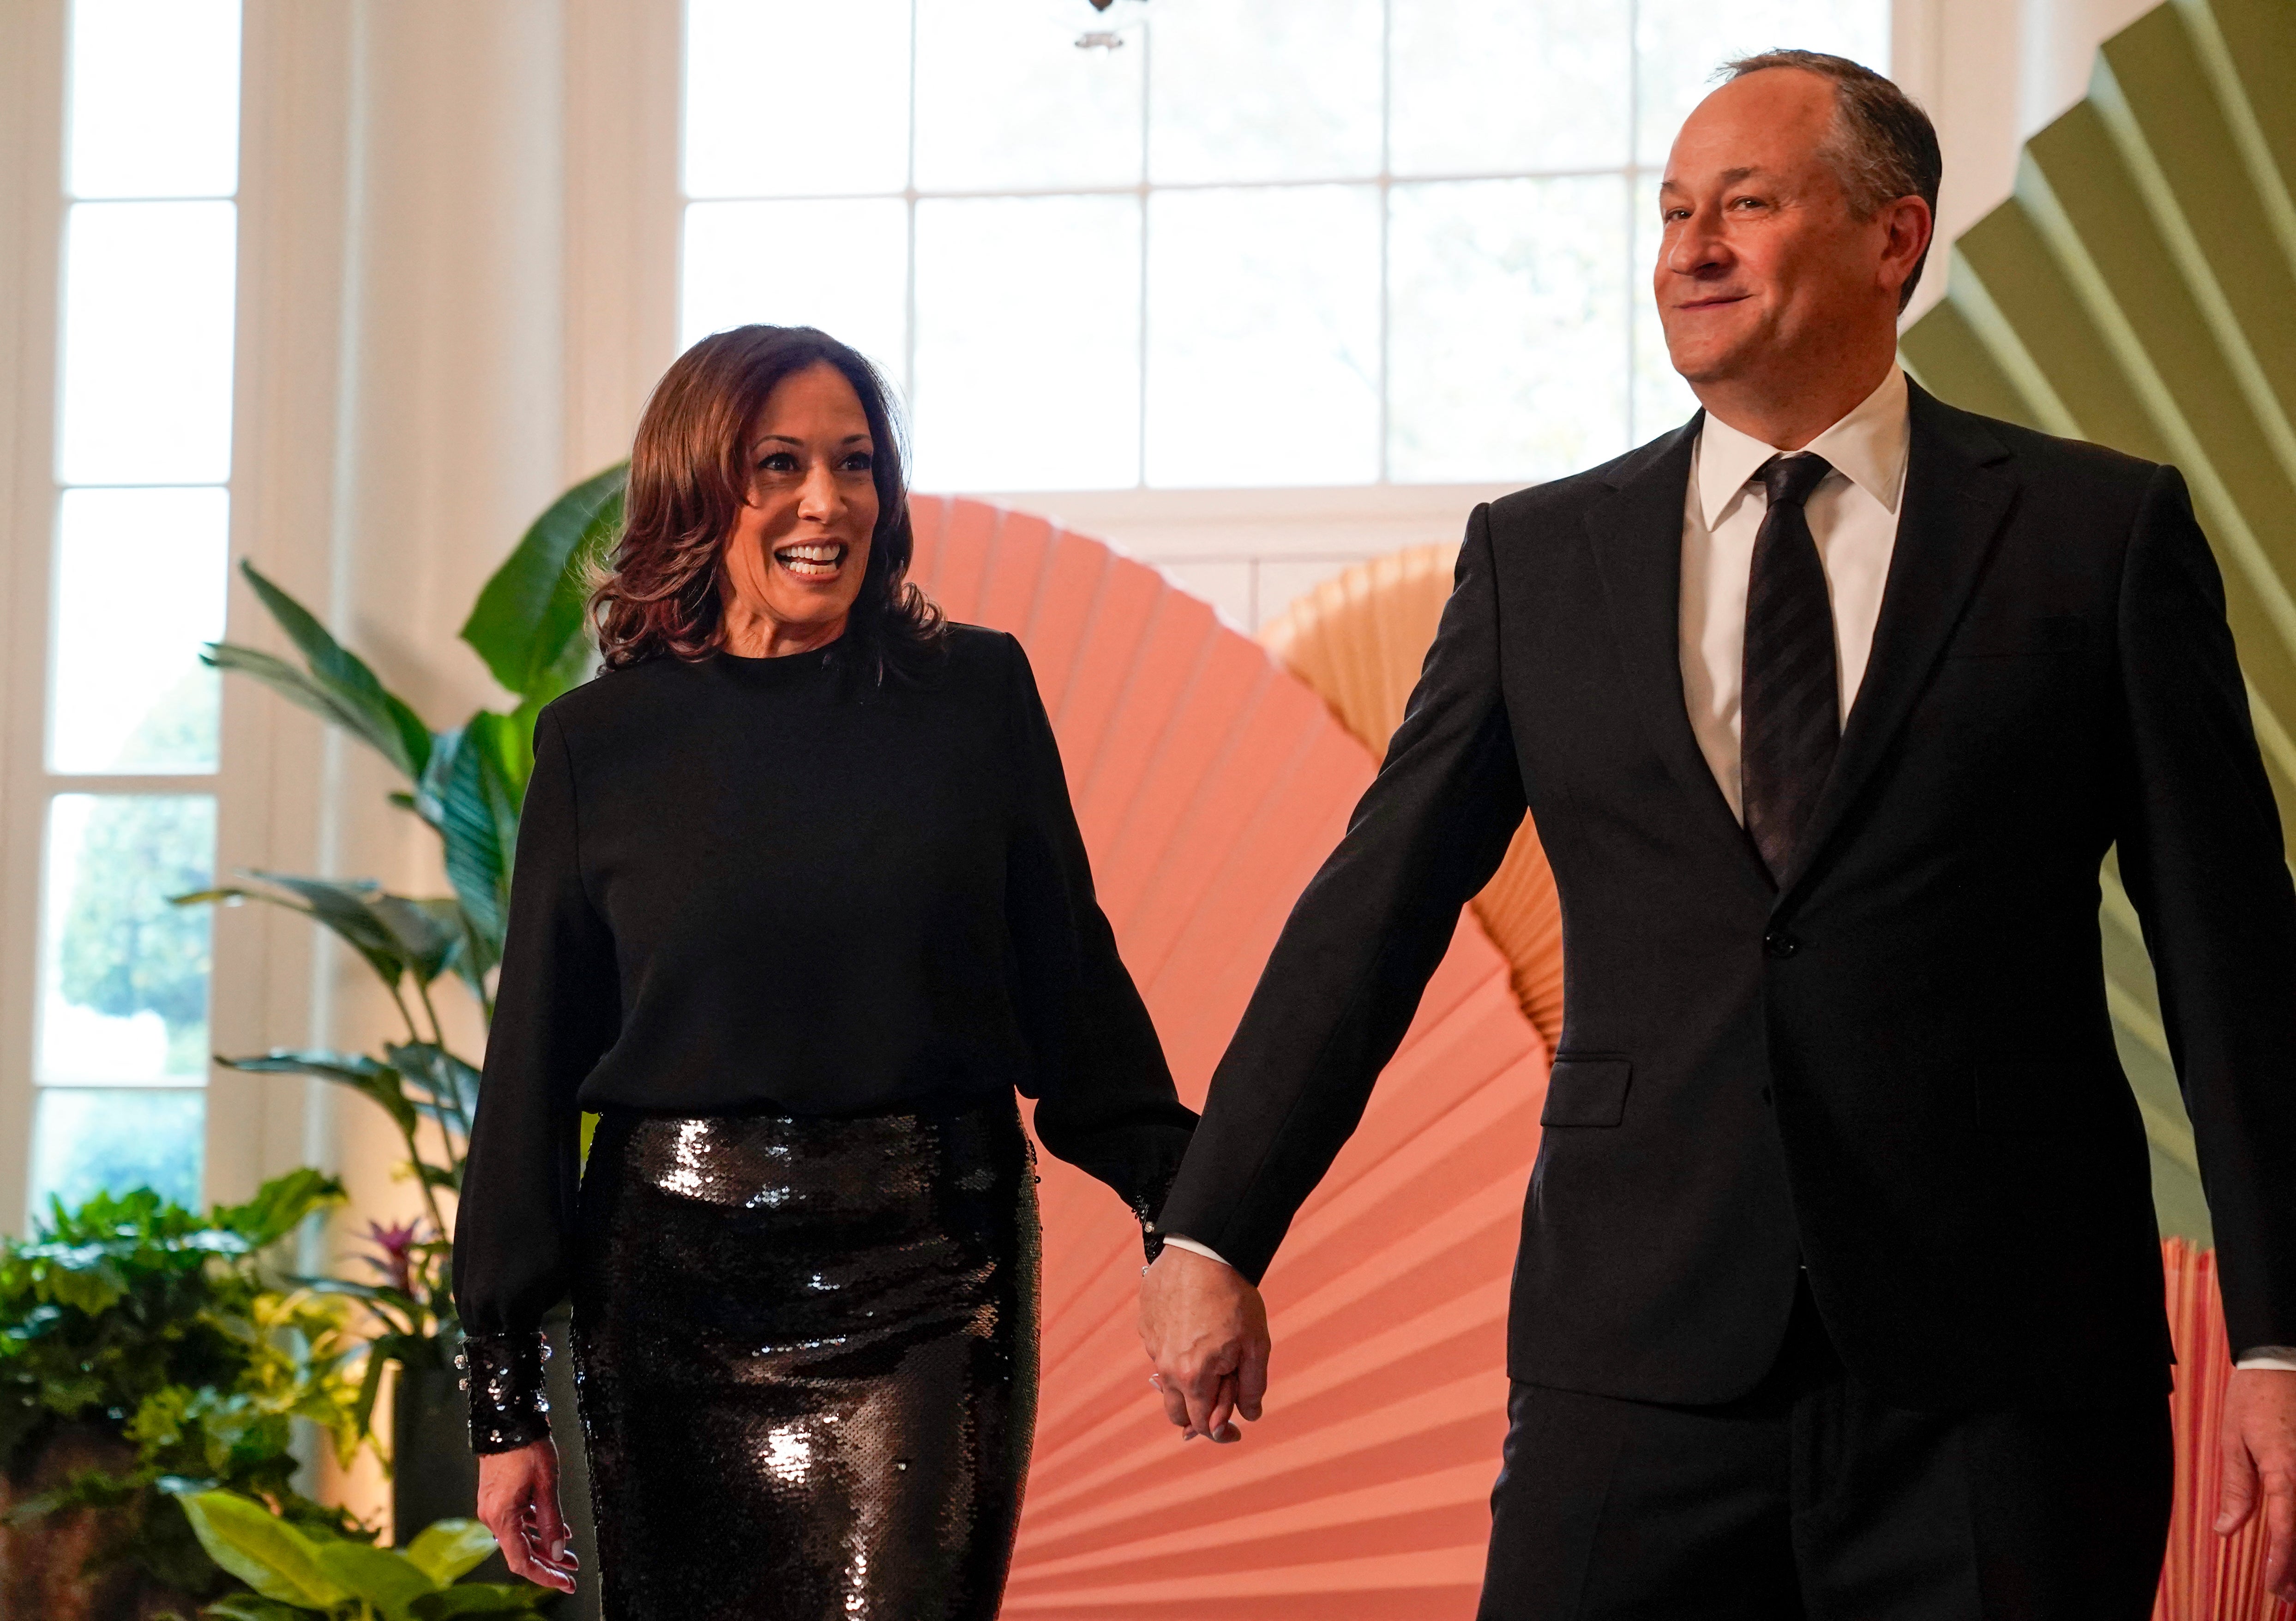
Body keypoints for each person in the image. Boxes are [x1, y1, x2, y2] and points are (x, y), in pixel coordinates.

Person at [1137, 49, 2296, 1618]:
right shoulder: (1543, 562)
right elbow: (1379, 903)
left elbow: (2231, 958)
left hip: (2004, 1380)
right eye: (1675, 210)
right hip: (1640, 1353)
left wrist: (2282, 1338)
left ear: (1896, 238)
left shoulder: (2098, 538)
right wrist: (1217, 1221)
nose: (1690, 249)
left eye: (1746, 204)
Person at [451, 324, 1196, 1620]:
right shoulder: (595, 745)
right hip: (669, 1300)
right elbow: (529, 1074)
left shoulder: (978, 697)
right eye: (778, 464)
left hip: (928, 1287)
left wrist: (1197, 1223)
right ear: (698, 488)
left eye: (854, 464)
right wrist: (505, 1397)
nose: (825, 501)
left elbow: (1075, 1001)